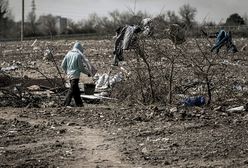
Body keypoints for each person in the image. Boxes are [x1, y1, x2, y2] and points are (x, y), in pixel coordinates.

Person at [61, 42, 92, 107]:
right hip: (75, 75)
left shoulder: (68, 53)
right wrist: (88, 73)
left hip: (69, 75)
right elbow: (81, 67)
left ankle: (79, 104)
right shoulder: (78, 55)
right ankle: (65, 104)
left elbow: (62, 65)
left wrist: (67, 71)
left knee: (76, 90)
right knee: (72, 90)